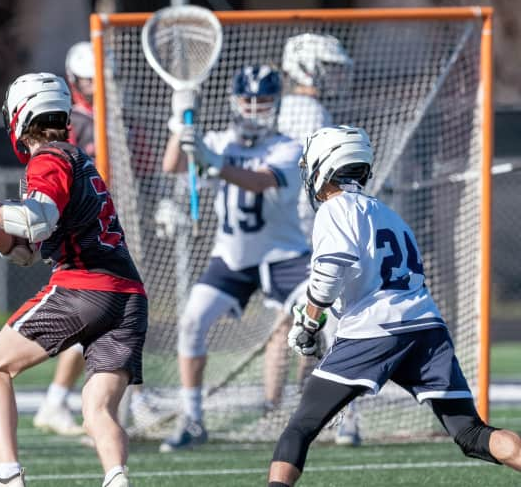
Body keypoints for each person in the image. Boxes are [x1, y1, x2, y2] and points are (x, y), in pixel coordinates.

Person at [268, 125, 521, 486]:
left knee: (300, 427)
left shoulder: (334, 210)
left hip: (374, 331)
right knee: (471, 433)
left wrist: (308, 324)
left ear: (325, 165)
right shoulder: (389, 215)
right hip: (426, 327)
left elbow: (327, 276)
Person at [0, 73, 147, 487]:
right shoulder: (77, 159)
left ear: (18, 114)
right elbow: (27, 250)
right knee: (96, 409)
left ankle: (8, 476)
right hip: (130, 298)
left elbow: (35, 219)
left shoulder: (47, 159)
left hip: (85, 287)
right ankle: (117, 479)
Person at [158, 65, 313, 452]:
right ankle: (192, 419)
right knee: (192, 320)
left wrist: (211, 159)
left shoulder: (288, 147)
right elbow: (173, 165)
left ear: (277, 105)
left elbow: (259, 181)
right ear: (234, 101)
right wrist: (181, 126)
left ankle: (326, 412)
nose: (254, 108)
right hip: (232, 257)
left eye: (263, 101)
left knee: (322, 323)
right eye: (247, 100)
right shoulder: (218, 140)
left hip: (284, 255)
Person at [278, 32, 362, 445]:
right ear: (306, 67)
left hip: (286, 230)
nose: (335, 77)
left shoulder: (293, 108)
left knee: (302, 322)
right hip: (305, 228)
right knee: (331, 318)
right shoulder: (308, 111)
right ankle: (343, 415)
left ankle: (306, 404)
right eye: (327, 68)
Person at [31, 41, 97, 437]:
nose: (92, 86)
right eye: (85, 80)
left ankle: (66, 402)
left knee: (104, 318)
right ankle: (64, 402)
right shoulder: (72, 123)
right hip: (81, 223)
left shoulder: (112, 114)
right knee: (96, 313)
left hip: (108, 217)